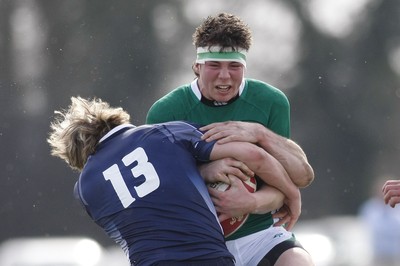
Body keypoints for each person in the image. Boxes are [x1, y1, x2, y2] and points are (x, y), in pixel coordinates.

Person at [47, 96, 303, 266]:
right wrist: (291, 193)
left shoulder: (84, 190)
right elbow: (253, 155)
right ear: (115, 118)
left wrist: (199, 173)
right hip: (209, 257)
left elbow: (140, 212)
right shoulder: (162, 132)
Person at [146, 12, 315, 265]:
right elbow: (158, 189)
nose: (225, 76)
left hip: (259, 236)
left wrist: (250, 200)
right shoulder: (166, 112)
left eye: (234, 66)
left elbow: (284, 187)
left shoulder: (270, 102)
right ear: (197, 66)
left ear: (245, 67)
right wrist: (203, 171)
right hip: (196, 242)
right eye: (214, 65)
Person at [359, 176, 400, 266]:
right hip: (377, 253)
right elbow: (366, 227)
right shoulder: (370, 208)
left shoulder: (397, 206)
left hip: (395, 254)